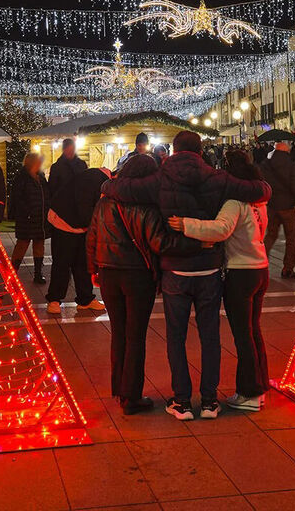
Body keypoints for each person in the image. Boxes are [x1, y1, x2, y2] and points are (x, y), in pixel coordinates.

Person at [101, 130, 271, 421]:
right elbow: (261, 191)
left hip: (175, 269)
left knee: (176, 337)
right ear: (200, 150)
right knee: (210, 336)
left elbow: (122, 189)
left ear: (174, 150)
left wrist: (107, 183)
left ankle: (181, 401)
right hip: (209, 268)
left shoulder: (160, 178)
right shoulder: (215, 177)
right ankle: (208, 401)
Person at [87, 154, 200, 415]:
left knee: (119, 332)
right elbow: (159, 243)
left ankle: (120, 389)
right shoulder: (146, 205)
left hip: (108, 273)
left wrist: (93, 268)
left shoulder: (105, 201)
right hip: (137, 276)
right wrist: (195, 243)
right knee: (135, 335)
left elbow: (92, 236)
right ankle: (132, 396)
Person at [169, 149, 270, 412]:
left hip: (241, 272)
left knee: (243, 335)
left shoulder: (234, 202)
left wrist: (186, 224)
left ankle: (249, 392)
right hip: (261, 268)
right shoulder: (259, 202)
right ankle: (259, 387)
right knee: (254, 331)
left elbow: (221, 228)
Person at [46, 167, 108, 313]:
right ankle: (54, 300)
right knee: (63, 263)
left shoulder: (95, 178)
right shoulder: (95, 181)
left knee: (82, 263)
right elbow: (84, 208)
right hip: (64, 222)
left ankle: (85, 299)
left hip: (78, 225)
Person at [261, 141, 295, 279]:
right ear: (287, 151)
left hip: (272, 205)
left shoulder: (265, 165)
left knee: (270, 235)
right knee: (291, 238)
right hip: (287, 206)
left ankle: (260, 264)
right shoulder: (292, 165)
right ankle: (288, 268)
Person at [8, 152, 49, 283]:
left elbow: (46, 194)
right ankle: (12, 273)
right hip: (26, 217)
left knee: (39, 244)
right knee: (22, 244)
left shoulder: (41, 177)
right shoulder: (22, 178)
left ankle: (38, 273)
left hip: (40, 218)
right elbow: (17, 198)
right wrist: (26, 211)